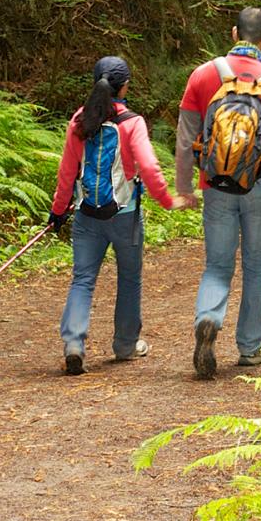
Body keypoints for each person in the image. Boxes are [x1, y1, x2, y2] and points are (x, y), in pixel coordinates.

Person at [175, 7, 261, 378]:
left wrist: (185, 187)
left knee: (217, 264)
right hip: (259, 186)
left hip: (216, 186)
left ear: (234, 33)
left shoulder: (203, 75)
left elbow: (185, 138)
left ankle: (209, 317)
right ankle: (249, 348)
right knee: (257, 267)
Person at [48, 56, 190, 376]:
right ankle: (125, 346)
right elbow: (150, 167)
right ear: (125, 86)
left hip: (86, 217)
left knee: (83, 279)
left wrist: (58, 212)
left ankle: (73, 343)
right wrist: (167, 201)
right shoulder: (132, 122)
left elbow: (67, 172)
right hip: (125, 217)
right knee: (129, 278)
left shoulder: (79, 121)